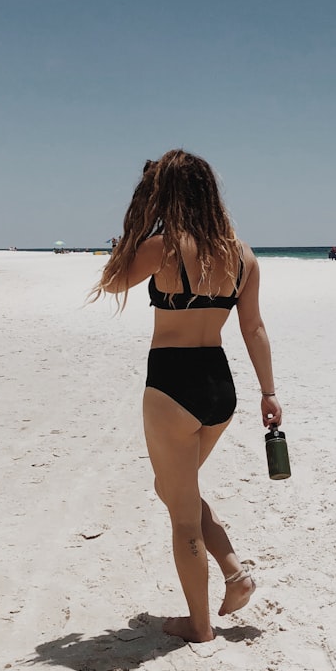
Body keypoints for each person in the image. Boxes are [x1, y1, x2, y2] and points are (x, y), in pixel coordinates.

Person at [89, 151, 282, 643]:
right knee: (177, 490)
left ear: (166, 196)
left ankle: (200, 627)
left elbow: (112, 281)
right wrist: (269, 392)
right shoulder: (242, 255)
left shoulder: (161, 248)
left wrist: (134, 234)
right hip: (220, 387)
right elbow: (253, 327)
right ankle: (236, 574)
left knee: (181, 515)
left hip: (172, 384)